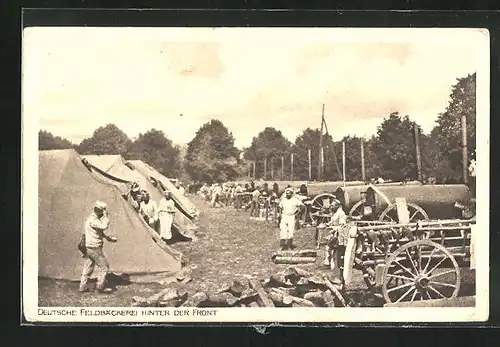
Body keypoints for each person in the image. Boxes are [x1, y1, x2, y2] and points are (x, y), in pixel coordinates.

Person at [79, 201, 117, 293]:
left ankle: (82, 286)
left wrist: (108, 238)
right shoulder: (93, 220)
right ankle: (100, 287)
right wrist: (106, 216)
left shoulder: (92, 219)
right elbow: (104, 226)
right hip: (95, 248)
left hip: (89, 248)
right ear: (100, 211)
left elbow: (98, 231)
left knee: (88, 267)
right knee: (104, 267)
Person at [323, 199, 348, 268]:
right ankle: (329, 263)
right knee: (328, 248)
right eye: (331, 205)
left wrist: (334, 228)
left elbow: (343, 225)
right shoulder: (334, 213)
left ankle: (333, 265)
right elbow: (332, 222)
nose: (331, 207)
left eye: (333, 206)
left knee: (334, 250)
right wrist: (328, 224)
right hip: (334, 233)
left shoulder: (341, 213)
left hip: (339, 234)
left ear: (337, 206)